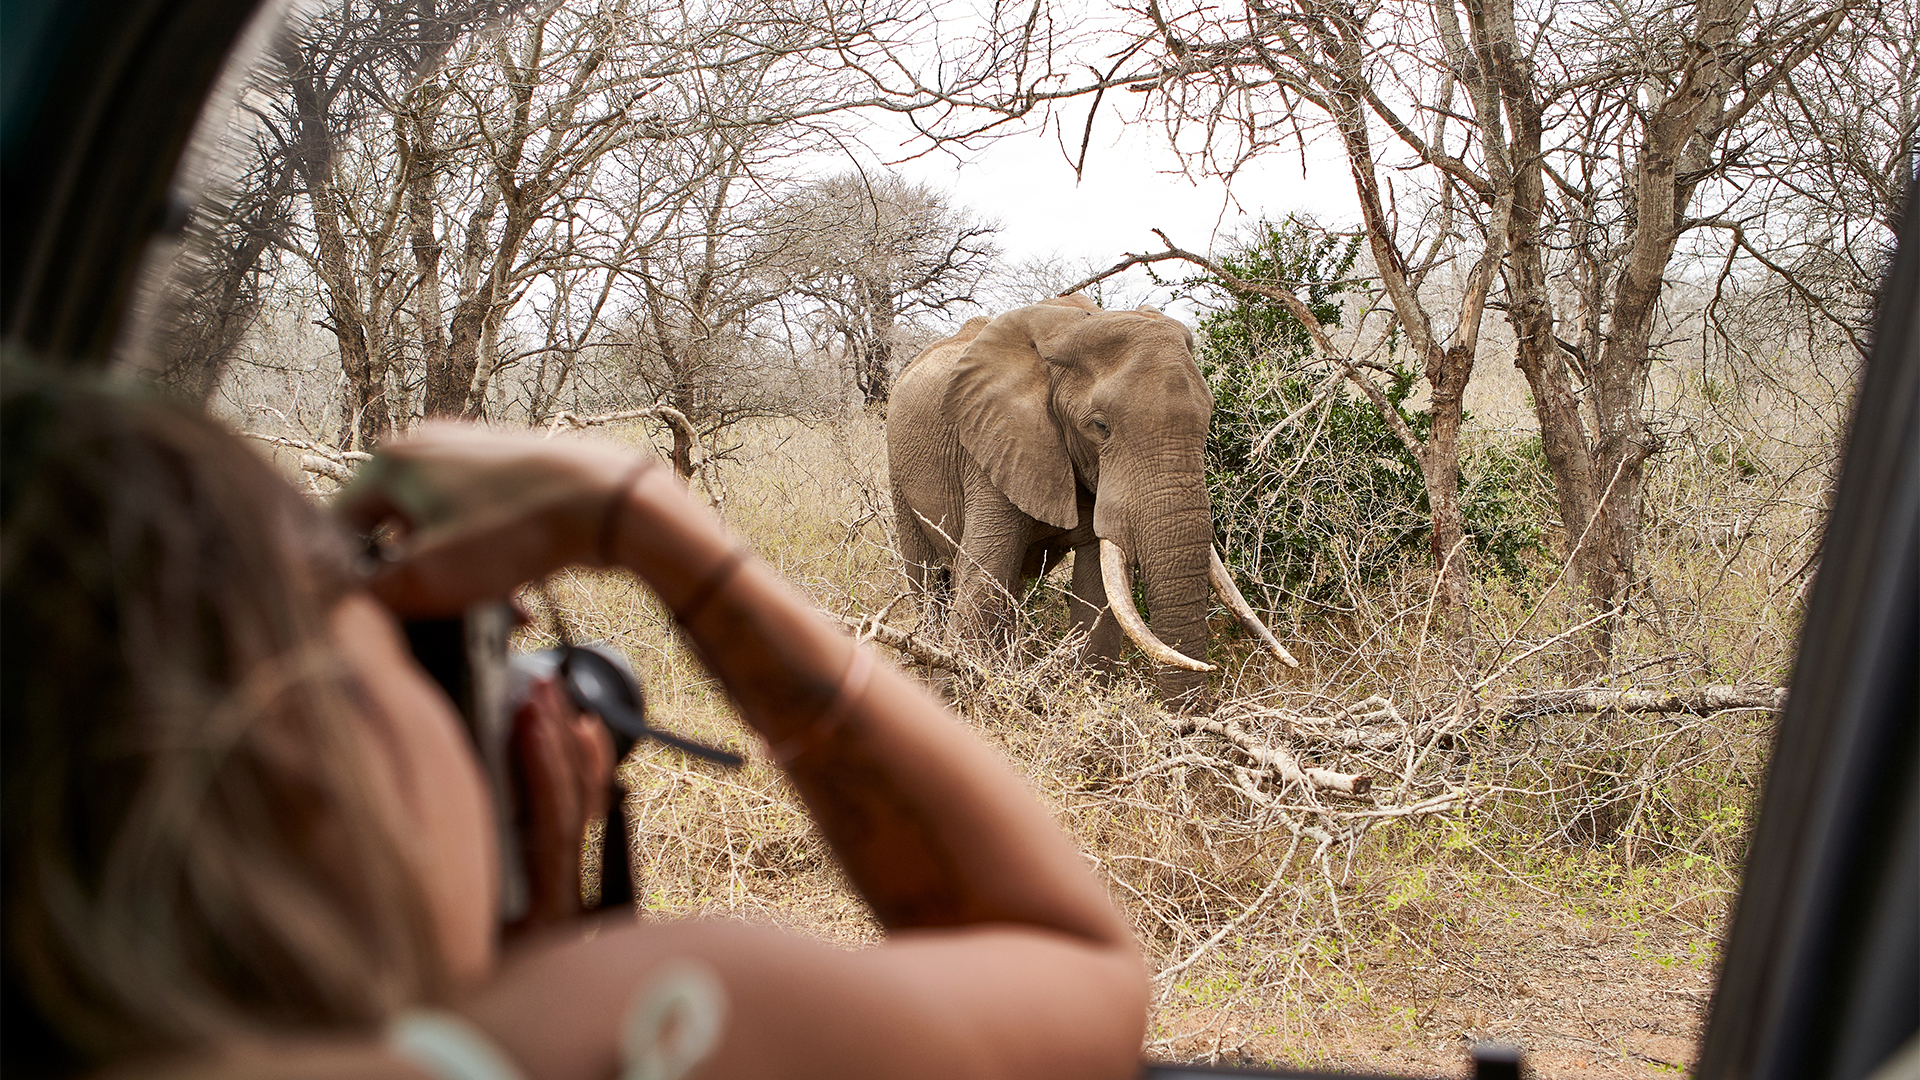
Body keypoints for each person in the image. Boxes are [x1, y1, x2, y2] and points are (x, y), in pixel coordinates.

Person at [0, 376, 1148, 1080]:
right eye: (426, 668)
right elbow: (1077, 968)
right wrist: (658, 529)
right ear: (303, 756)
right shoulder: (612, 1037)